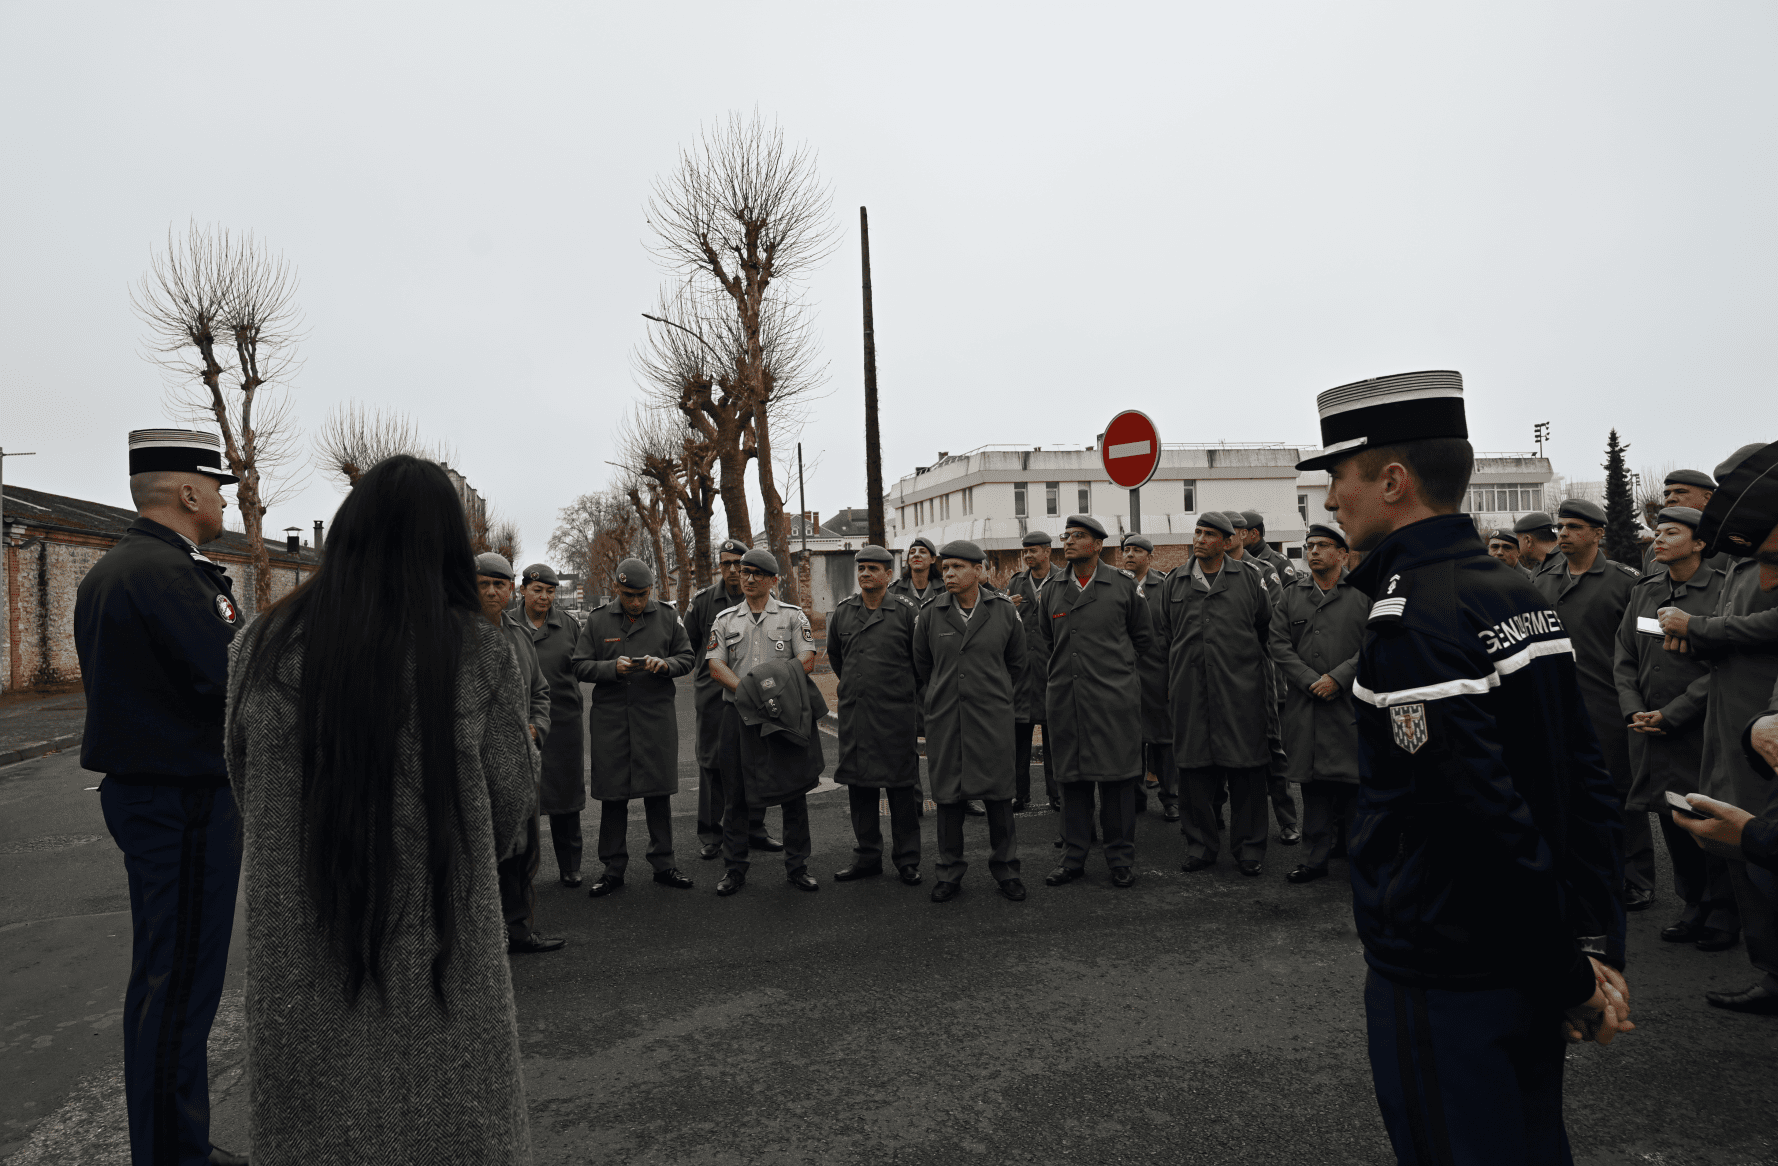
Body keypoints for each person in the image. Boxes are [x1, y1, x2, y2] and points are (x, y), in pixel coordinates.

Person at [1302, 370, 1630, 1164]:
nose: (1331, 499)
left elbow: (1475, 823)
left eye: (1340, 477)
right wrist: (1590, 948)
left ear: (1393, 481)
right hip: (1527, 953)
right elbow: (1582, 781)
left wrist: (1570, 976)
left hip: (1451, 970)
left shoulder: (1415, 619)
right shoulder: (1512, 589)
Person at [224, 454, 535, 1165]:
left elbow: (242, 780)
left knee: (315, 1125)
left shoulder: (258, 645)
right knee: (455, 1124)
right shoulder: (478, 651)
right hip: (443, 932)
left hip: (302, 928)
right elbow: (511, 799)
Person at [74, 429, 249, 1166]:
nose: (222, 502)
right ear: (186, 492)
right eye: (216, 489)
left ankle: (177, 1144)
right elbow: (233, 684)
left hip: (157, 796)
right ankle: (174, 1155)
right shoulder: (169, 575)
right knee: (179, 988)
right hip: (184, 802)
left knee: (167, 983)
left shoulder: (120, 567)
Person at [1661, 441, 1778, 1014]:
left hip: (1762, 721)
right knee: (1740, 836)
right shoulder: (1740, 557)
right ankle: (1770, 968)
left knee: (1761, 837)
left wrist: (1703, 629)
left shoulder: (1758, 552)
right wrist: (1699, 636)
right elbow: (1734, 625)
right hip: (1733, 714)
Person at [1612, 507, 1737, 950]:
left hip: (1701, 728)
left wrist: (1676, 712)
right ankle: (1693, 903)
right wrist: (1633, 708)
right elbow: (1624, 655)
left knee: (1709, 817)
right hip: (1651, 728)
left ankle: (1725, 910)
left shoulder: (1722, 590)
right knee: (1672, 815)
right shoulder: (1646, 590)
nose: (1659, 539)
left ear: (1700, 543)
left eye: (1671, 532)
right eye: (1658, 531)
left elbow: (1726, 666)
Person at [1531, 499, 1652, 911]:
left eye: (1574, 527)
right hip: (1555, 705)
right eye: (1561, 527)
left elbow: (1643, 647)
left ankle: (1636, 876)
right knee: (1566, 791)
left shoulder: (1625, 582)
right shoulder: (1543, 580)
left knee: (1620, 793)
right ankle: (1582, 871)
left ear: (1598, 534)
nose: (1563, 533)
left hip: (1607, 703)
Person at [1036, 514, 1154, 889]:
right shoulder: (1052, 589)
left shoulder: (1123, 586)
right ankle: (1073, 858)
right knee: (1072, 782)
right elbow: (1049, 640)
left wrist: (1115, 675)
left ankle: (1120, 859)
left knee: (1117, 783)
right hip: (1067, 700)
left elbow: (1143, 639)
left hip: (1113, 701)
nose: (1069, 541)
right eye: (1066, 535)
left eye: (1079, 535)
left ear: (1098, 545)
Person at [572, 558, 697, 897]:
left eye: (643, 595)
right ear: (617, 589)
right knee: (613, 795)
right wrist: (611, 668)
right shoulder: (597, 620)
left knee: (658, 793)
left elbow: (687, 657)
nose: (637, 602)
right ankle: (613, 869)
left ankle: (664, 863)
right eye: (630, 595)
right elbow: (579, 665)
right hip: (611, 721)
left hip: (654, 719)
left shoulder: (668, 617)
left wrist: (665, 665)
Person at [1161, 511, 1276, 876]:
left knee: (1247, 771)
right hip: (1190, 691)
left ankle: (1250, 849)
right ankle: (1200, 846)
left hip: (1240, 690)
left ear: (1227, 542)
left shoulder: (1249, 578)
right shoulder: (1174, 581)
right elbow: (1166, 633)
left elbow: (1264, 627)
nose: (1200, 539)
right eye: (1197, 532)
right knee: (1193, 771)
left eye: (1209, 534)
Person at [911, 540, 1028, 901]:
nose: (948, 573)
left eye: (958, 567)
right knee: (948, 798)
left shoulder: (1004, 611)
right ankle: (949, 872)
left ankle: (1006, 870)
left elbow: (1017, 663)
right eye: (945, 567)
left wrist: (994, 695)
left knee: (999, 796)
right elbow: (922, 666)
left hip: (992, 718)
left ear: (979, 571)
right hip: (947, 718)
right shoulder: (930, 614)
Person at [706, 549, 824, 896]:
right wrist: (750, 691)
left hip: (782, 714)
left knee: (793, 793)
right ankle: (734, 869)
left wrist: (772, 689)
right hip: (739, 715)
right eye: (745, 572)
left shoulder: (791, 616)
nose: (749, 578)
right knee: (736, 795)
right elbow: (716, 666)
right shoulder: (726, 620)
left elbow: (806, 659)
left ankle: (798, 866)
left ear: (773, 579)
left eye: (757, 573)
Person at [1268, 522, 1369, 883]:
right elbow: (1278, 643)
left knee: (1354, 784)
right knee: (1313, 787)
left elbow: (1374, 644)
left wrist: (1338, 678)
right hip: (1307, 704)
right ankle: (1314, 859)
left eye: (1323, 545)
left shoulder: (1364, 593)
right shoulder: (1292, 594)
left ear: (1342, 554)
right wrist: (1310, 680)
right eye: (1310, 545)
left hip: (1350, 704)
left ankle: (1358, 858)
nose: (1313, 551)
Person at [479, 553, 562, 955]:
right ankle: (479, 937)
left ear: (511, 589)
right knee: (480, 851)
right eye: (483, 584)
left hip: (520, 761)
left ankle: (518, 930)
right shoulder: (454, 634)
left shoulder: (519, 634)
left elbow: (540, 692)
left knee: (521, 849)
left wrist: (536, 727)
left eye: (499, 584)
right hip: (476, 764)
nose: (491, 591)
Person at [827, 545, 924, 886]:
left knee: (902, 790)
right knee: (860, 788)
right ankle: (867, 857)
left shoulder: (907, 612)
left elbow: (921, 662)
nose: (865, 573)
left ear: (888, 574)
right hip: (856, 715)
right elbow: (837, 658)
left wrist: (899, 692)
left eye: (872, 568)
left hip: (896, 716)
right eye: (861, 568)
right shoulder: (843, 613)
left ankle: (907, 860)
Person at [683, 541, 780, 861]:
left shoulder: (765, 599)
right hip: (714, 697)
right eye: (726, 564)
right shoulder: (703, 602)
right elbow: (689, 646)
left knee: (756, 760)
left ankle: (754, 828)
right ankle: (712, 833)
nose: (734, 570)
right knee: (712, 762)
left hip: (755, 694)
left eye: (740, 563)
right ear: (719, 567)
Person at [515, 563, 587, 888]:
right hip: (521, 726)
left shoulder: (569, 625)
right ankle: (520, 873)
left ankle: (570, 866)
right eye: (537, 590)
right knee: (520, 802)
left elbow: (584, 665)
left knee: (565, 800)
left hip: (563, 724)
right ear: (523, 591)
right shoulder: (506, 625)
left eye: (550, 591)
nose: (544, 597)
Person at [1123, 534, 1179, 823]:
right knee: (1131, 739)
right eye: (1126, 550)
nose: (1129, 555)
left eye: (1136, 550)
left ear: (1150, 557)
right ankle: (1135, 797)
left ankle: (1171, 798)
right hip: (1126, 675)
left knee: (1163, 740)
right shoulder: (1117, 585)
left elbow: (1173, 633)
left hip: (1158, 674)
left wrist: (1172, 677)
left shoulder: (1164, 585)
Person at [1005, 530, 1058, 812]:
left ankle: (1057, 793)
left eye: (1033, 550)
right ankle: (1019, 793)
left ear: (1047, 551)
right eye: (1025, 551)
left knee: (1054, 737)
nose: (1027, 555)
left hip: (1051, 668)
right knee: (1019, 738)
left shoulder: (1062, 579)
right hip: (1023, 672)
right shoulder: (1016, 582)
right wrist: (1007, 607)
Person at [1513, 511, 1562, 577]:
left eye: (1518, 541)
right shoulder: (1539, 565)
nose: (1517, 547)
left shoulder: (1565, 565)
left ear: (1528, 540)